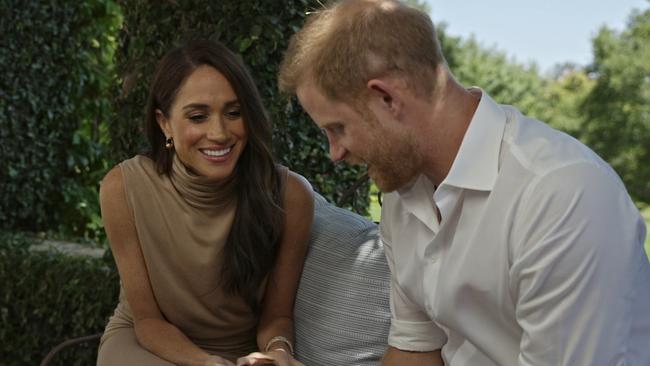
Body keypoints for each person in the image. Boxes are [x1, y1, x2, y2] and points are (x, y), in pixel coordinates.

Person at [278, 0, 650, 365]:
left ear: (386, 97)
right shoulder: (403, 194)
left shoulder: (562, 196)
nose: (335, 153)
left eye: (337, 128)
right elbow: (415, 350)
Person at [98, 39, 313, 366]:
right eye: (198, 116)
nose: (219, 132)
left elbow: (276, 318)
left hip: (239, 356)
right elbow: (146, 321)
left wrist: (278, 353)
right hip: (147, 347)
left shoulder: (290, 195)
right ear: (164, 123)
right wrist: (204, 362)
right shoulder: (122, 188)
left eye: (234, 112)